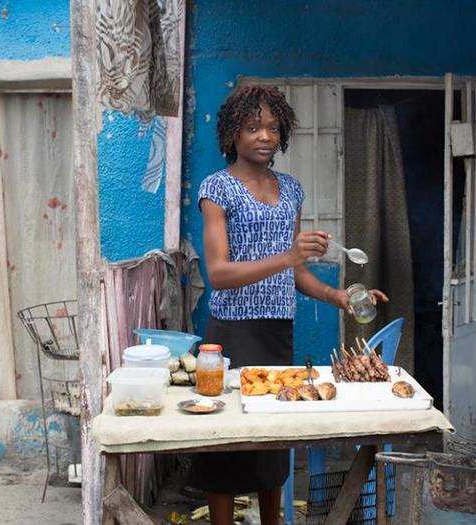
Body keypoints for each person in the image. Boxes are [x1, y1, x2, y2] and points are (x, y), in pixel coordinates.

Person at [190, 85, 388, 525]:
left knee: (273, 442)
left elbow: (295, 274)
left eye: (273, 128)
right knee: (224, 441)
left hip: (277, 331)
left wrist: (340, 296)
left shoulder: (291, 190)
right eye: (252, 127)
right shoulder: (217, 189)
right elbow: (218, 274)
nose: (264, 136)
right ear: (233, 135)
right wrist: (287, 256)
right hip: (231, 332)